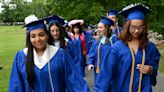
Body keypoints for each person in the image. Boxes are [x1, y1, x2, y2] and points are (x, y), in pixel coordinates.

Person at [8, 17, 90, 92]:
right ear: (29, 38)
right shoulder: (21, 57)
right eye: (33, 36)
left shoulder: (60, 54)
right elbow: (15, 86)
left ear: (47, 35)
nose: (37, 39)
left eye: (41, 35)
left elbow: (75, 81)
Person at [95, 3, 161, 92]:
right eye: (133, 27)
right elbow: (105, 74)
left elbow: (155, 63)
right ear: (127, 26)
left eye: (141, 27)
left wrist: (151, 69)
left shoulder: (149, 47)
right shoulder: (117, 48)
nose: (137, 31)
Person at [87, 16, 117, 81]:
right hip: (98, 69)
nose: (98, 29)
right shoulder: (97, 40)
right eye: (98, 27)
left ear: (106, 28)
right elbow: (92, 52)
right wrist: (90, 63)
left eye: (100, 27)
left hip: (110, 69)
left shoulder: (114, 40)